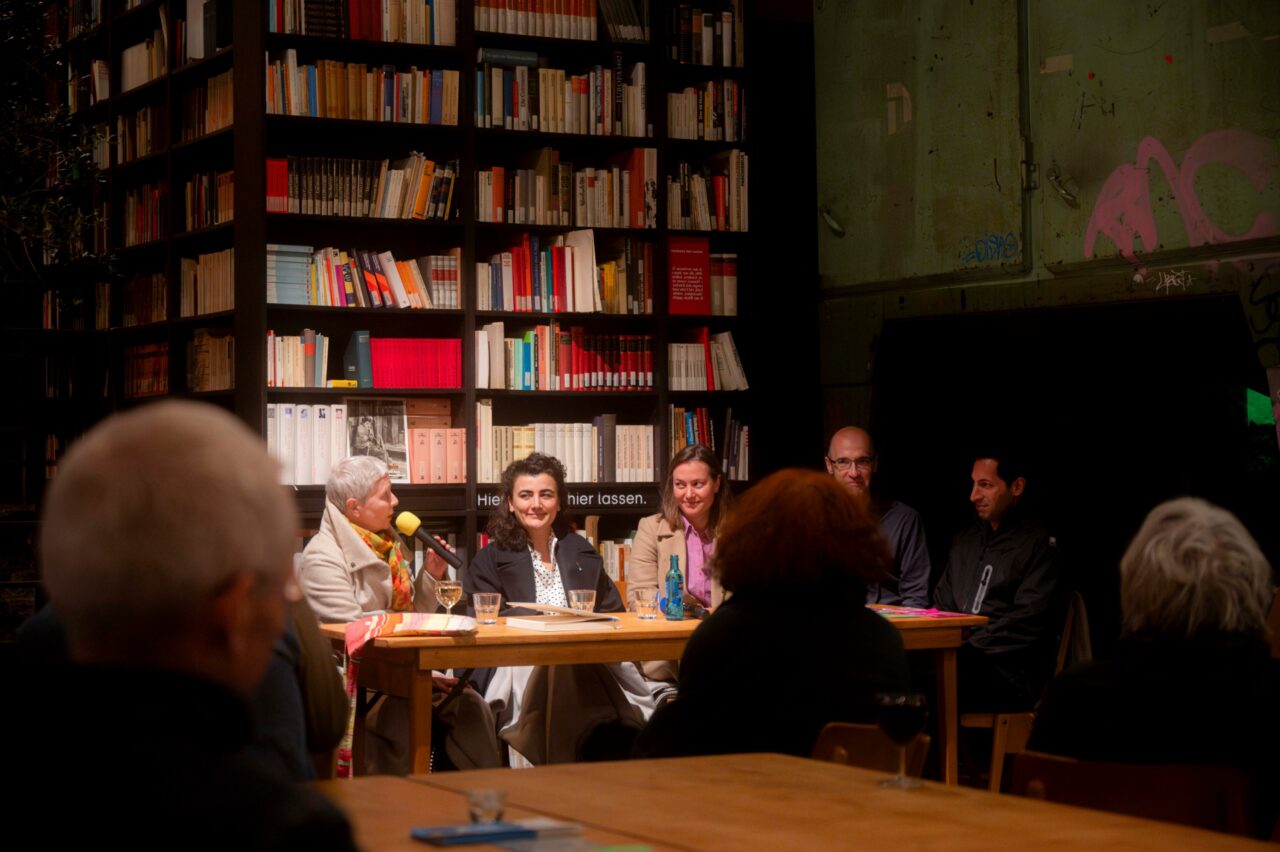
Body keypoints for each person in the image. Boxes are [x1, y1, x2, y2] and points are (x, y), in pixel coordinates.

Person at [6, 400, 356, 850]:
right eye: (284, 589)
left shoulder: (33, 650)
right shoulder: (285, 830)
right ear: (233, 611)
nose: (282, 616)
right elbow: (328, 722)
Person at [1028, 497, 1280, 838]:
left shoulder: (1072, 699)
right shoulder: (1266, 699)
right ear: (1251, 587)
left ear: (1135, 585)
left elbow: (1037, 828)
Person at [634, 469, 911, 758]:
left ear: (751, 539)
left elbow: (668, 746)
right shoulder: (882, 640)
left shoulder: (722, 636)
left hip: (743, 797)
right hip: (855, 798)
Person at [299, 455, 501, 773]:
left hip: (398, 669)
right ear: (354, 508)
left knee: (471, 706)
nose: (395, 501)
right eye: (386, 495)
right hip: (354, 684)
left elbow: (406, 615)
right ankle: (402, 806)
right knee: (407, 714)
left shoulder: (388, 544)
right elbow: (355, 634)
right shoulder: (321, 559)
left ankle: (479, 803)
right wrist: (414, 672)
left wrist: (431, 576)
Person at [467, 452, 654, 763]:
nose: (535, 504)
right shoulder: (490, 557)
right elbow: (480, 620)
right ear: (511, 503)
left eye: (546, 495)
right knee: (545, 669)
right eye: (525, 495)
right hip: (519, 659)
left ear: (559, 502)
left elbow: (614, 613)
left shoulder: (581, 550)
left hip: (585, 657)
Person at [932, 450, 1061, 711]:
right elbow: (941, 603)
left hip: (1007, 674)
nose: (974, 496)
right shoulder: (965, 540)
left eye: (986, 485)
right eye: (973, 483)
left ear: (1017, 487)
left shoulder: (1038, 544)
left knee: (934, 682)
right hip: (959, 660)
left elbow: (1028, 621)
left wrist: (967, 650)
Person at [628, 443, 733, 683]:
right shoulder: (650, 527)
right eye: (680, 485)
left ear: (716, 484)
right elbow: (639, 595)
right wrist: (682, 612)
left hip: (727, 646)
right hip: (668, 655)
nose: (688, 494)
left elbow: (751, 596)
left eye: (698, 484)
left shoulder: (740, 529)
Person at [825, 426, 930, 607]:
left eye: (862, 461)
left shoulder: (905, 520)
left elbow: (916, 598)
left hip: (889, 627)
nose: (854, 472)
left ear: (875, 464)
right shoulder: (812, 519)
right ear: (829, 465)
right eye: (843, 462)